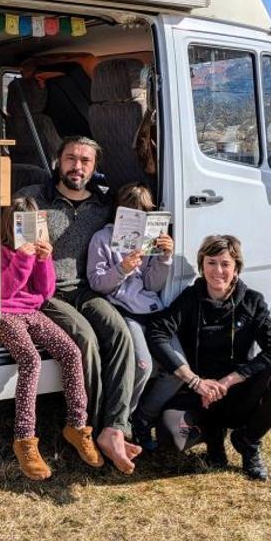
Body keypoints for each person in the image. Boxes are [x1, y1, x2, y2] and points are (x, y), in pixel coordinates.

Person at [16, 136, 142, 474]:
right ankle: (87, 429)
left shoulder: (103, 206)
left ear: (95, 167)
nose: (78, 166)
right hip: (48, 293)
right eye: (71, 158)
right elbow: (11, 234)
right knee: (84, 339)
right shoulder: (33, 198)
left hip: (86, 289)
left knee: (118, 333)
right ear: (58, 160)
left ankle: (116, 428)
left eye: (86, 161)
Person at [145, 235, 271, 481]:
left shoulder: (252, 302)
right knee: (169, 436)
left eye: (225, 264)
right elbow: (157, 332)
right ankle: (212, 436)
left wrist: (229, 380)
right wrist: (194, 381)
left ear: (236, 268)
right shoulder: (190, 299)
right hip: (199, 394)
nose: (217, 271)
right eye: (211, 262)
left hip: (237, 393)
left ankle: (248, 441)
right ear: (202, 265)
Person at [0, 196, 104, 480]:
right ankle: (25, 439)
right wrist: (22, 258)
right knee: (31, 360)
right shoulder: (4, 252)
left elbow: (44, 292)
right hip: (6, 314)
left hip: (32, 312)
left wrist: (44, 260)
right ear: (12, 225)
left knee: (71, 351)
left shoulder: (38, 252)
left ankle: (77, 426)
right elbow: (6, 292)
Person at [85, 183, 182, 450]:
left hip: (152, 309)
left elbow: (152, 285)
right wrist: (122, 269)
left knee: (178, 368)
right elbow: (97, 283)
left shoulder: (150, 240)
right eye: (132, 211)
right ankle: (121, 424)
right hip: (124, 309)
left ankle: (142, 418)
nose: (139, 215)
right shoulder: (101, 239)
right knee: (142, 365)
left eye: (145, 211)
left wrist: (165, 258)